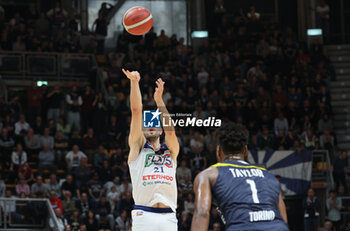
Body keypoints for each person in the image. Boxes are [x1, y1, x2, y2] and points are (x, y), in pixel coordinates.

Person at [190, 122, 288, 231]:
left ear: (218, 151)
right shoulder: (269, 176)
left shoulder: (208, 174)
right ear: (245, 150)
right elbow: (283, 219)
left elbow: (202, 213)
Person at [123, 69, 179, 231]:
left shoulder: (171, 151)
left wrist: (159, 101)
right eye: (148, 125)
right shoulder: (138, 149)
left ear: (160, 130)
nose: (151, 127)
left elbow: (170, 131)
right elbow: (136, 111)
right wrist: (134, 82)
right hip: (144, 214)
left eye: (155, 125)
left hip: (169, 215)